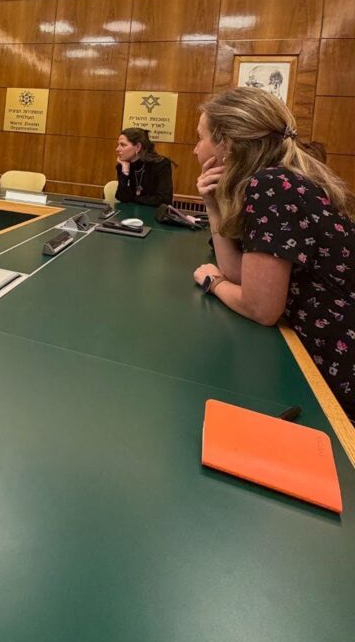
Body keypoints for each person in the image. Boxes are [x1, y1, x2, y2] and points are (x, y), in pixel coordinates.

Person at [192, 88, 355, 420]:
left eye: (201, 138)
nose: (196, 149)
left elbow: (261, 308)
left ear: (227, 145)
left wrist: (213, 283)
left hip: (337, 372)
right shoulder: (281, 179)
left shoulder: (271, 186)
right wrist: (212, 206)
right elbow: (241, 275)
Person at [115, 128, 173, 207]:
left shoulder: (160, 165)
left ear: (138, 147)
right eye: (118, 144)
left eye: (123, 145)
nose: (117, 149)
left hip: (153, 212)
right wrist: (125, 172)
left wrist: (132, 198)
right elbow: (121, 197)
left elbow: (164, 199)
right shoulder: (123, 166)